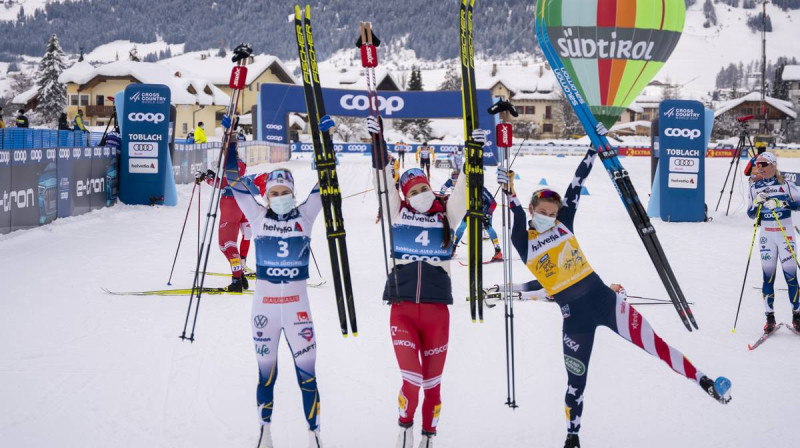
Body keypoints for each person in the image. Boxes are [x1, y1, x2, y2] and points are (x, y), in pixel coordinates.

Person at [497, 151, 731, 448]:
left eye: (553, 213)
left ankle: (705, 382)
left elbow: (576, 186)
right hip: (575, 318)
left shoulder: (564, 224)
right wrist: (509, 189)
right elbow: (515, 213)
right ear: (532, 209)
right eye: (542, 212)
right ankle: (572, 437)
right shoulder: (523, 240)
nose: (548, 217)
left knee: (657, 345)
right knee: (576, 382)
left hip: (605, 301)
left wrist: (592, 151)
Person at [369, 116, 482, 448]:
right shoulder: (396, 214)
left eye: (422, 188)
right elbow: (383, 183)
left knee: (432, 385)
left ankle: (427, 438)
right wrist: (378, 149)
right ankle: (405, 428)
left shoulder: (446, 215)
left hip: (437, 315)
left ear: (430, 187)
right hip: (403, 312)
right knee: (413, 378)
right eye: (413, 191)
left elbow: (465, 186)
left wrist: (473, 152)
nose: (419, 194)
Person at [223, 141, 324, 448]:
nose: (280, 198)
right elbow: (232, 179)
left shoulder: (305, 215)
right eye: (274, 193)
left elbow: (328, 182)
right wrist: (230, 145)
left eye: (285, 193)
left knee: (307, 376)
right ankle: (265, 432)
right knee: (266, 375)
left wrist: (325, 146)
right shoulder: (256, 215)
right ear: (266, 196)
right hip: (264, 312)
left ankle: (314, 434)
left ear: (294, 194)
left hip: (298, 312)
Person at [746, 151, 800, 333]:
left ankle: (797, 316)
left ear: (773, 165)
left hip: (785, 233)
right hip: (766, 235)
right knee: (767, 277)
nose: (759, 168)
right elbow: (751, 214)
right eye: (757, 164)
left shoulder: (786, 184)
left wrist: (781, 203)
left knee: (791, 276)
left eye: (763, 164)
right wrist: (757, 203)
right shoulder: (755, 187)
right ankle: (769, 317)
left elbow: (799, 203)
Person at [196, 155, 253, 292]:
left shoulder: (236, 163)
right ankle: (239, 274)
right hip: (233, 206)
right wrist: (211, 176)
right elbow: (225, 181)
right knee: (224, 246)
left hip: (231, 207)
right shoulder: (233, 162)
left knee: (228, 245)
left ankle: (237, 281)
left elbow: (223, 183)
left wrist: (206, 178)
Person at [441, 172, 502, 262]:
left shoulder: (481, 189)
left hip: (486, 209)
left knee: (488, 227)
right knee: (462, 226)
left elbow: (493, 203)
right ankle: (453, 248)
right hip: (473, 209)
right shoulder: (464, 189)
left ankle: (498, 251)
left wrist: (487, 214)